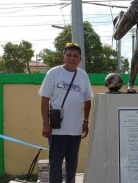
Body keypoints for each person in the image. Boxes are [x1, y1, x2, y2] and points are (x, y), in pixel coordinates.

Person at [39, 42, 93, 183]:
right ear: (63, 57)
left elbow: (88, 100)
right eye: (68, 55)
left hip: (75, 129)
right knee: (56, 165)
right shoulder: (54, 73)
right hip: (57, 130)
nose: (72, 58)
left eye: (75, 56)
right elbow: (45, 99)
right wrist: (46, 123)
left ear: (80, 59)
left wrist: (85, 122)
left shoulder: (83, 76)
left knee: (72, 165)